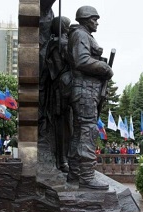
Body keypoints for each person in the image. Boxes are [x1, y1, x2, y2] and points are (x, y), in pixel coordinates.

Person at [67, 5, 113, 190]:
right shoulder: (81, 35)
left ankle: (74, 173)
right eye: (94, 19)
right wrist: (105, 68)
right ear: (85, 19)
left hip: (87, 90)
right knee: (87, 131)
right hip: (84, 91)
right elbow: (82, 60)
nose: (97, 22)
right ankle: (86, 176)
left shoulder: (83, 35)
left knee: (80, 132)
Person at [43, 15, 71, 173]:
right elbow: (68, 65)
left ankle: (65, 158)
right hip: (61, 91)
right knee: (63, 127)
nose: (69, 27)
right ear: (63, 27)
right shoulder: (60, 43)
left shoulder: (60, 43)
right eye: (67, 25)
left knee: (67, 126)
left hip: (65, 89)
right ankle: (62, 160)